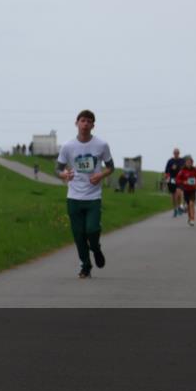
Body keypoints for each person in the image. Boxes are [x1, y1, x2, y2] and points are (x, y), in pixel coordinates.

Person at [56, 110, 115, 278]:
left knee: (92, 229)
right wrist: (64, 175)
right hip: (73, 197)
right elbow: (57, 169)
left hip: (93, 197)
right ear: (76, 123)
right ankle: (85, 265)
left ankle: (95, 248)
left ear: (93, 125)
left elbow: (111, 167)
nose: (85, 124)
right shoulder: (68, 146)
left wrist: (100, 175)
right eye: (83, 120)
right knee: (78, 234)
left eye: (89, 121)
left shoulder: (101, 145)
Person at [176, 155, 196, 226]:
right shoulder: (182, 170)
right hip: (185, 190)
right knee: (188, 206)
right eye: (188, 162)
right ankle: (189, 218)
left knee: (191, 204)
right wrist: (183, 182)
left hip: (193, 190)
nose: (189, 163)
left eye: (190, 162)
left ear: (192, 163)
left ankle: (192, 219)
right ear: (185, 163)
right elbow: (177, 179)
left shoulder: (195, 170)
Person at [164, 148, 185, 217]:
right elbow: (166, 171)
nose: (176, 154)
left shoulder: (182, 160)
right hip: (172, 179)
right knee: (173, 195)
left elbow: (184, 169)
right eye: (175, 153)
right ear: (173, 153)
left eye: (177, 153)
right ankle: (175, 209)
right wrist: (166, 178)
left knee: (179, 192)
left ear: (179, 153)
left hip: (179, 178)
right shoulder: (170, 161)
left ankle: (180, 206)